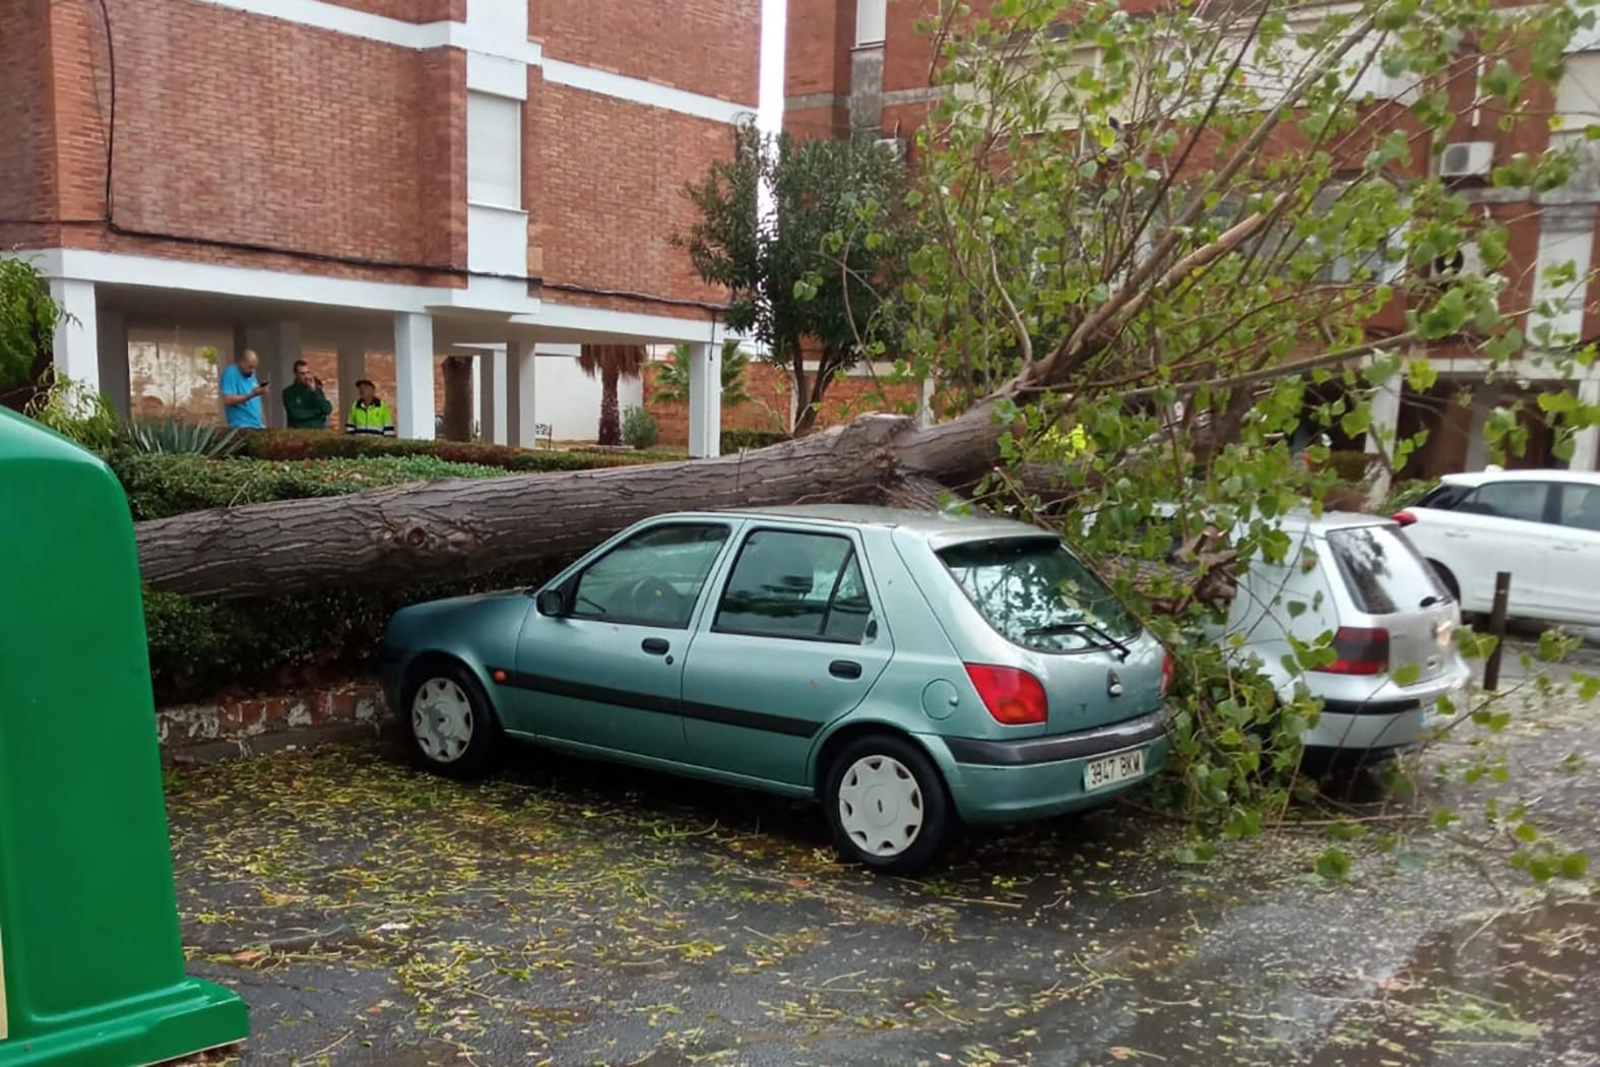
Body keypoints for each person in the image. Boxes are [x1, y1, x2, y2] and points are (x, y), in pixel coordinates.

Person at [220, 348, 269, 430]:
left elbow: (257, 400)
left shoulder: (251, 376)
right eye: (250, 367)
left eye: (254, 368)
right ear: (242, 362)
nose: (252, 371)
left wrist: (264, 423)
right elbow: (228, 399)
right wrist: (251, 395)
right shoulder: (231, 372)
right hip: (242, 426)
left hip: (258, 425)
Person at [282, 359, 333, 430]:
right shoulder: (289, 392)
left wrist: (314, 391)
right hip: (299, 433)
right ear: (296, 375)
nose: (306, 376)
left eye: (308, 373)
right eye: (302, 374)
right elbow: (294, 414)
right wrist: (317, 413)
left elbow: (327, 409)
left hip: (317, 433)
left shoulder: (316, 390)